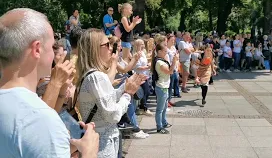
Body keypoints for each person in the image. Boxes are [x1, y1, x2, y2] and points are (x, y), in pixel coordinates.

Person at [0, 8, 99, 157]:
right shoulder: (41, 120)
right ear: (37, 49)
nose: (55, 53)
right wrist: (89, 152)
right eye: (52, 46)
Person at [76, 28, 147, 158]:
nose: (111, 48)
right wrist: (127, 94)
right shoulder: (96, 76)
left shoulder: (92, 75)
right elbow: (113, 115)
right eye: (107, 44)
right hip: (102, 143)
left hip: (101, 140)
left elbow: (106, 99)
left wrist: (125, 87)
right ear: (94, 49)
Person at [153, 44, 178, 134]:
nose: (166, 52)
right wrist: (174, 62)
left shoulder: (162, 60)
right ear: (159, 51)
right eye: (165, 51)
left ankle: (163, 122)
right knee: (160, 109)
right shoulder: (159, 62)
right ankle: (159, 127)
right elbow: (170, 72)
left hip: (164, 86)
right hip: (161, 87)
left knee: (164, 107)